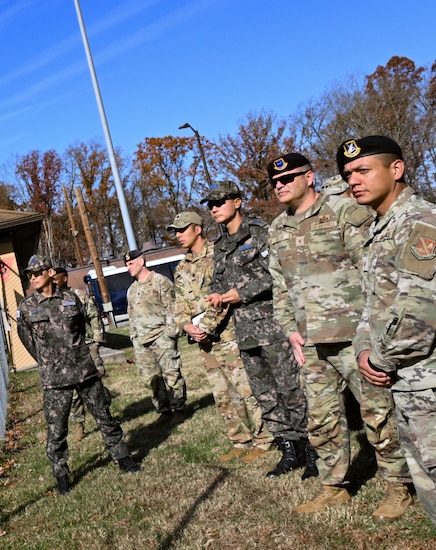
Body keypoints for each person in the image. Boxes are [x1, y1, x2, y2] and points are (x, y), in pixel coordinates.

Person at [266, 152, 412, 518]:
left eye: (288, 178)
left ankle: (399, 486)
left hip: (355, 338)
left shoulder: (344, 213)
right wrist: (290, 331)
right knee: (322, 418)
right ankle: (334, 486)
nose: (280, 185)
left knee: (378, 415)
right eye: (275, 182)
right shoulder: (277, 229)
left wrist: (374, 331)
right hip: (311, 343)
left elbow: (376, 271)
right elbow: (279, 287)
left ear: (310, 177)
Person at [340, 135, 436, 543]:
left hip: (435, 385)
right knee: (432, 489)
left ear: (396, 170)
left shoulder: (424, 223)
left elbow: (421, 311)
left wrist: (379, 358)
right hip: (408, 384)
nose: (353, 180)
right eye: (348, 174)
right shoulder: (378, 231)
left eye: (363, 170)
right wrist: (364, 347)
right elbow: (372, 307)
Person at [204, 180, 310, 478]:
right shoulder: (220, 245)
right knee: (265, 393)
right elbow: (217, 280)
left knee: (292, 389)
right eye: (210, 204)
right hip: (246, 330)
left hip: (274, 325)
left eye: (219, 201)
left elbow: (276, 274)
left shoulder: (261, 233)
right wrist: (217, 294)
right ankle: (289, 449)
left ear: (237, 201)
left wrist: (241, 293)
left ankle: (313, 447)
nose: (213, 208)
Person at [17, 254, 140, 495]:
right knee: (57, 429)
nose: (32, 278)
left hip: (83, 369)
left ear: (50, 273)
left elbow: (81, 328)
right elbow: (28, 340)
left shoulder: (71, 298)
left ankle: (122, 457)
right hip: (54, 379)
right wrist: (47, 361)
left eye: (37, 273)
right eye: (29, 275)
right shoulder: (26, 307)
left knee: (104, 415)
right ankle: (61, 474)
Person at [168, 210, 272, 461]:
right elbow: (179, 302)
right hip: (204, 341)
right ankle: (240, 439)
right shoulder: (182, 266)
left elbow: (223, 295)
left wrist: (206, 327)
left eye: (183, 230)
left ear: (198, 229)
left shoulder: (218, 254)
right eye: (176, 232)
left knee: (246, 388)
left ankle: (265, 438)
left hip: (227, 334)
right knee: (222, 392)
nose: (179, 235)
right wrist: (185, 325)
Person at [125, 247, 187, 421]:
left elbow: (172, 308)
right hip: (141, 342)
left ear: (141, 261)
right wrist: (134, 337)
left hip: (161, 337)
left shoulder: (160, 281)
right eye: (126, 265)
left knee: (172, 374)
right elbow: (131, 316)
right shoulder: (131, 290)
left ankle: (179, 408)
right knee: (151, 379)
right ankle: (163, 410)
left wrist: (170, 334)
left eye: (131, 263)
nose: (128, 267)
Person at [52, 266, 106, 443]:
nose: (53, 281)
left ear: (65, 279)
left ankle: (104, 417)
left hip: (87, 345)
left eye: (56, 278)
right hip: (67, 353)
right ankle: (79, 426)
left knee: (96, 383)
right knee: (74, 392)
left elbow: (94, 316)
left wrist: (97, 341)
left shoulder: (79, 295)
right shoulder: (51, 302)